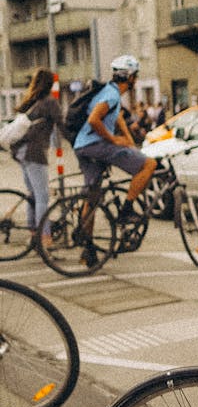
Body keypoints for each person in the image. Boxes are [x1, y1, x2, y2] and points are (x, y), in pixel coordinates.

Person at [73, 55, 157, 264]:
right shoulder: (111, 95)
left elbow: (117, 118)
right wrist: (113, 140)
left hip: (82, 147)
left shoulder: (109, 93)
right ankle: (126, 210)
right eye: (135, 76)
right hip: (96, 146)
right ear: (128, 77)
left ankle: (88, 247)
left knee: (92, 196)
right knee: (149, 164)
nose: (136, 80)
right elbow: (94, 119)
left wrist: (128, 141)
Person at [10, 67, 62, 247]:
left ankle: (33, 233)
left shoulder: (32, 101)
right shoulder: (49, 102)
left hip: (21, 152)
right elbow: (62, 124)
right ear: (51, 83)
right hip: (35, 152)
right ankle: (44, 237)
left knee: (33, 194)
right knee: (42, 196)